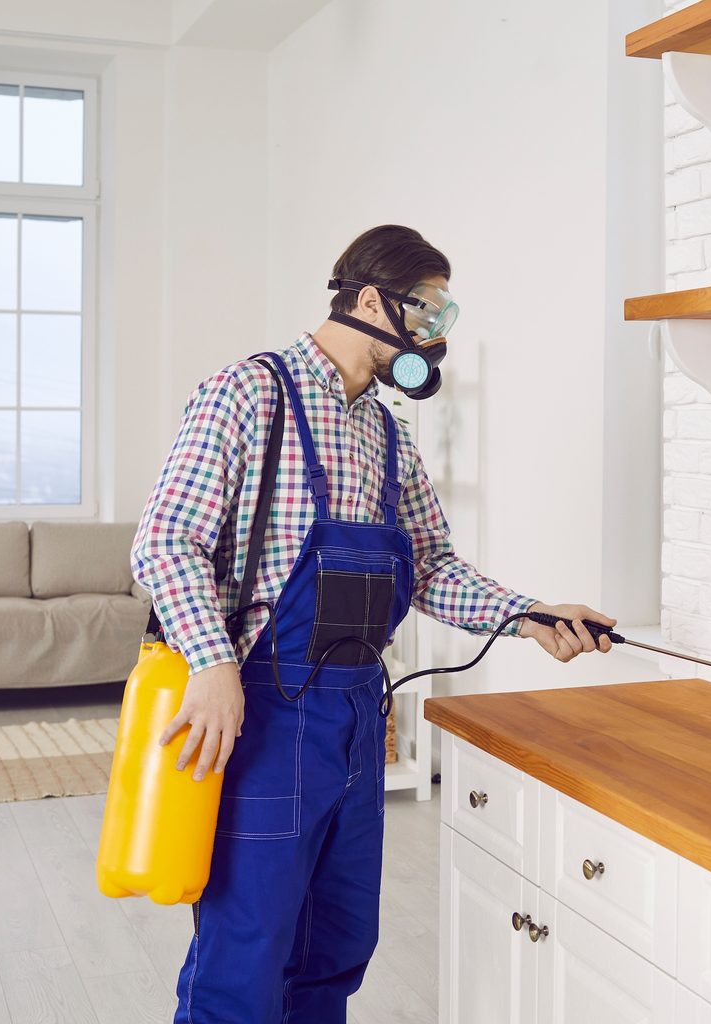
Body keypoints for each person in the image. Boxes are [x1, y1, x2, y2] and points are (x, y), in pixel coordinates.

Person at [131, 224, 617, 1023]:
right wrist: (213, 666)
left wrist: (529, 615)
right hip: (263, 714)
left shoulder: (385, 431)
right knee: (245, 957)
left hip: (357, 719)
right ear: (368, 300)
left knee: (336, 947)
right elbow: (165, 540)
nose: (435, 336)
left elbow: (430, 567)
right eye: (427, 314)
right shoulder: (250, 393)